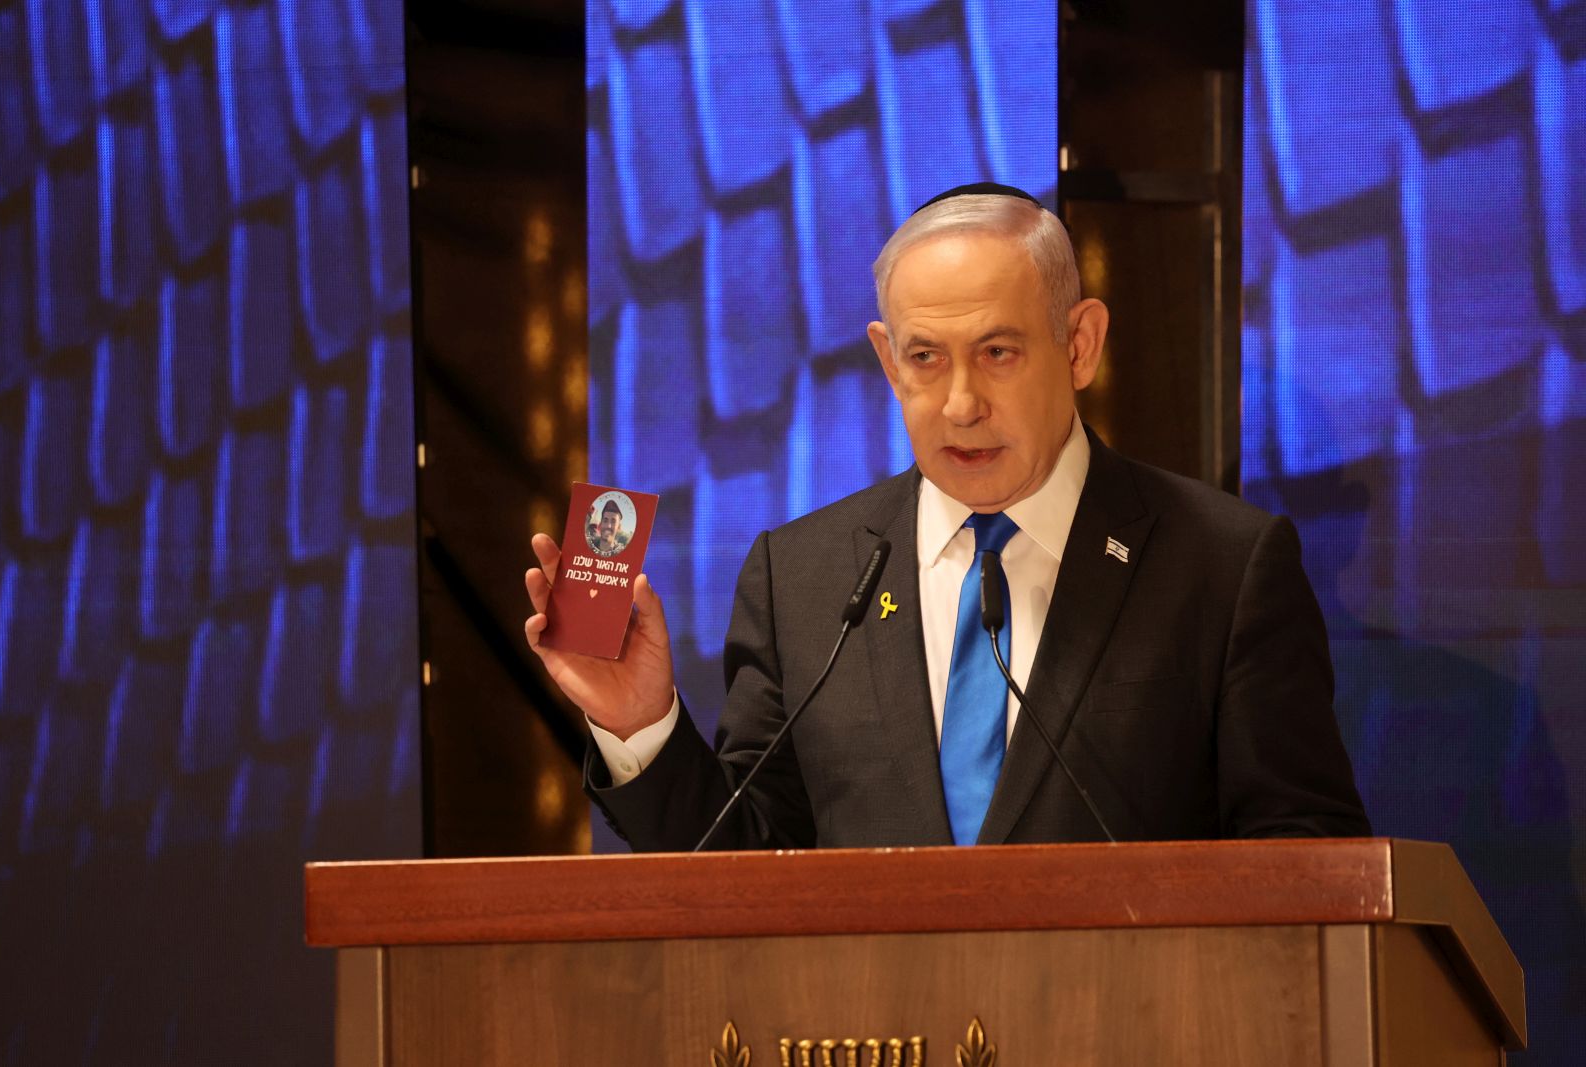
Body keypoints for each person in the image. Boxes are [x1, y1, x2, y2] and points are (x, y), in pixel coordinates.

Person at [525, 182, 1370, 851]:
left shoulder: (1223, 566)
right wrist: (640, 723)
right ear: (889, 362)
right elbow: (745, 867)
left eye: (998, 353)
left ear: (1080, 344)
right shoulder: (804, 577)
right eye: (926, 358)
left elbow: (1304, 864)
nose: (961, 404)